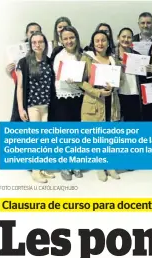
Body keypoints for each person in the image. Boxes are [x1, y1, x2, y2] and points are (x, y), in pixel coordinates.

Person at [80, 30, 122, 181]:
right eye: (97, 41)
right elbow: (81, 81)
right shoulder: (87, 59)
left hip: (111, 102)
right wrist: (97, 92)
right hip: (94, 102)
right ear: (93, 43)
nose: (100, 43)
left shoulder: (113, 59)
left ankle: (110, 166)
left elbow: (120, 79)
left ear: (108, 42)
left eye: (103, 40)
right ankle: (99, 167)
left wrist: (113, 88)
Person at [16, 32, 57, 183]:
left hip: (46, 106)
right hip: (33, 106)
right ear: (31, 45)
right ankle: (35, 171)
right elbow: (19, 87)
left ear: (45, 44)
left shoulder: (49, 61)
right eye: (34, 42)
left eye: (40, 42)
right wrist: (21, 108)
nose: (37, 45)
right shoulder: (24, 62)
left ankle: (42, 169)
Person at [52, 26, 84, 180]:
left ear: (76, 38)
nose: (69, 41)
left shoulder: (82, 55)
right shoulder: (59, 56)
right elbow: (58, 77)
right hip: (63, 97)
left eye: (71, 37)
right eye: (65, 38)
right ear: (61, 41)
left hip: (79, 97)